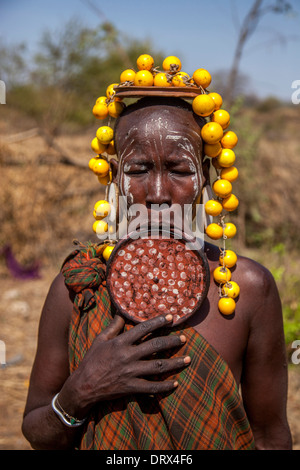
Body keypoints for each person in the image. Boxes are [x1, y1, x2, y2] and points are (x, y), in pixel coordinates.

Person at [22, 96, 292, 450]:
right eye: (138, 170)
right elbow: (37, 432)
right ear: (117, 177)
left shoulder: (245, 289)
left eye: (179, 170)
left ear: (204, 178)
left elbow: (270, 436)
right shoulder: (78, 287)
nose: (159, 194)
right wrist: (80, 391)